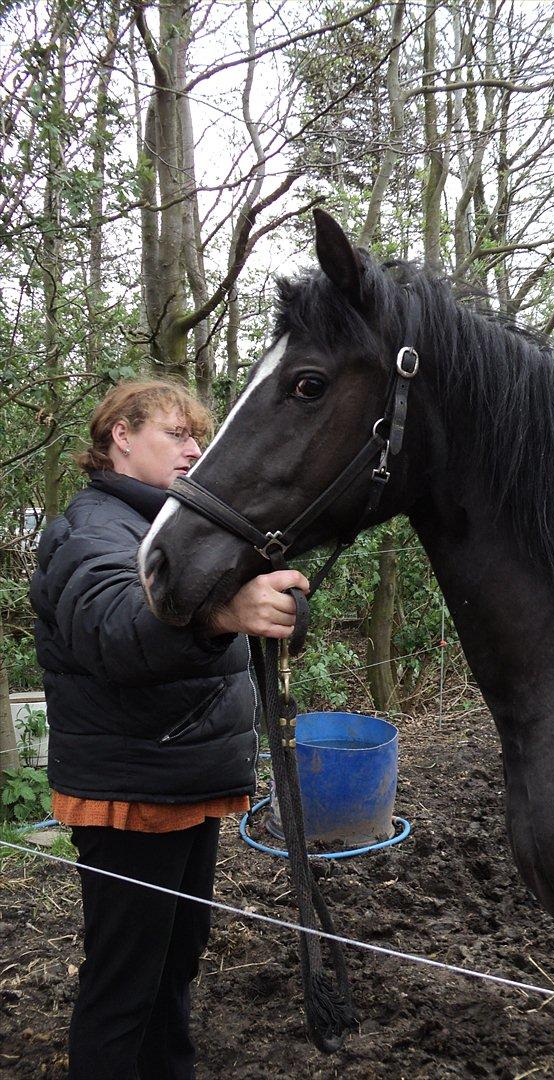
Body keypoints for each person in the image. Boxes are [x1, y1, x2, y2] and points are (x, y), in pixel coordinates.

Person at [29, 379, 308, 1080]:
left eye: (198, 437)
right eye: (176, 435)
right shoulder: (91, 529)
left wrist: (270, 611)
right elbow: (116, 634)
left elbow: (229, 627)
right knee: (127, 980)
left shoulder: (176, 529)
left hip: (185, 777)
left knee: (176, 960)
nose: (194, 449)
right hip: (132, 790)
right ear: (121, 436)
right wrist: (222, 615)